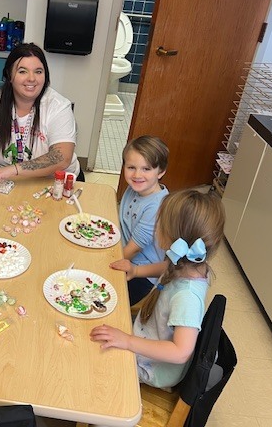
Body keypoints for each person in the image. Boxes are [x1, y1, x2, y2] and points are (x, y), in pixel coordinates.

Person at [90, 190, 225, 389]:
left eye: (158, 223)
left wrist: (127, 341)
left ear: (171, 237)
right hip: (144, 336)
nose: (155, 229)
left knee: (89, 354)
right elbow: (166, 267)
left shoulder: (187, 296)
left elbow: (181, 352)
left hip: (151, 366)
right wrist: (136, 270)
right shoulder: (185, 262)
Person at [0, 42, 81, 191]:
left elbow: (62, 157)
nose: (32, 78)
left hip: (55, 185)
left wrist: (14, 169)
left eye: (38, 71)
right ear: (9, 76)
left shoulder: (59, 106)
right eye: (22, 71)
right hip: (4, 184)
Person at [109, 136, 169, 305]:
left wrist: (103, 263)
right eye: (131, 167)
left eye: (146, 169)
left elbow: (133, 249)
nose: (137, 175)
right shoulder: (133, 188)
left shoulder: (157, 206)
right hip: (124, 254)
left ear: (161, 171)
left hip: (142, 274)